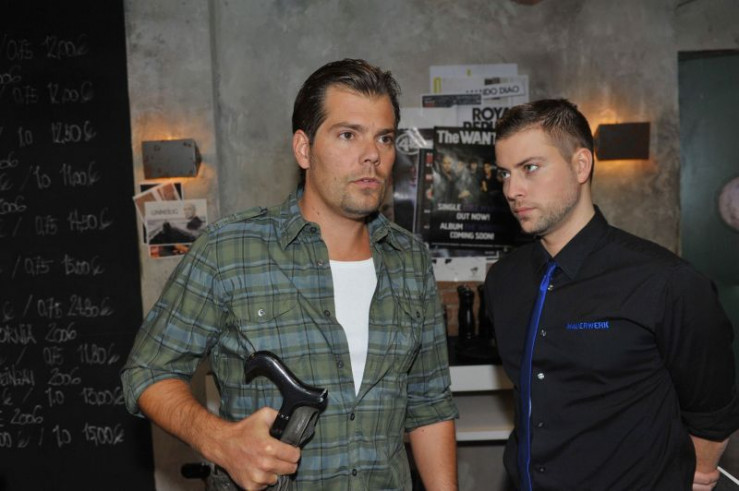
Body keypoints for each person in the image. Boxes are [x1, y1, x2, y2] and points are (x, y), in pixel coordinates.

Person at [121, 59, 458, 490]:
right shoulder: (231, 250)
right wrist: (221, 441)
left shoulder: (410, 260)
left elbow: (430, 405)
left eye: (384, 137)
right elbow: (148, 371)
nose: (372, 154)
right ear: (303, 149)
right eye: (348, 134)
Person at [483, 98, 739, 490]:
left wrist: (696, 472)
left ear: (580, 165)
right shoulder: (504, 281)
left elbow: (713, 409)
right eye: (504, 173)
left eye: (529, 168)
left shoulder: (665, 281)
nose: (512, 190)